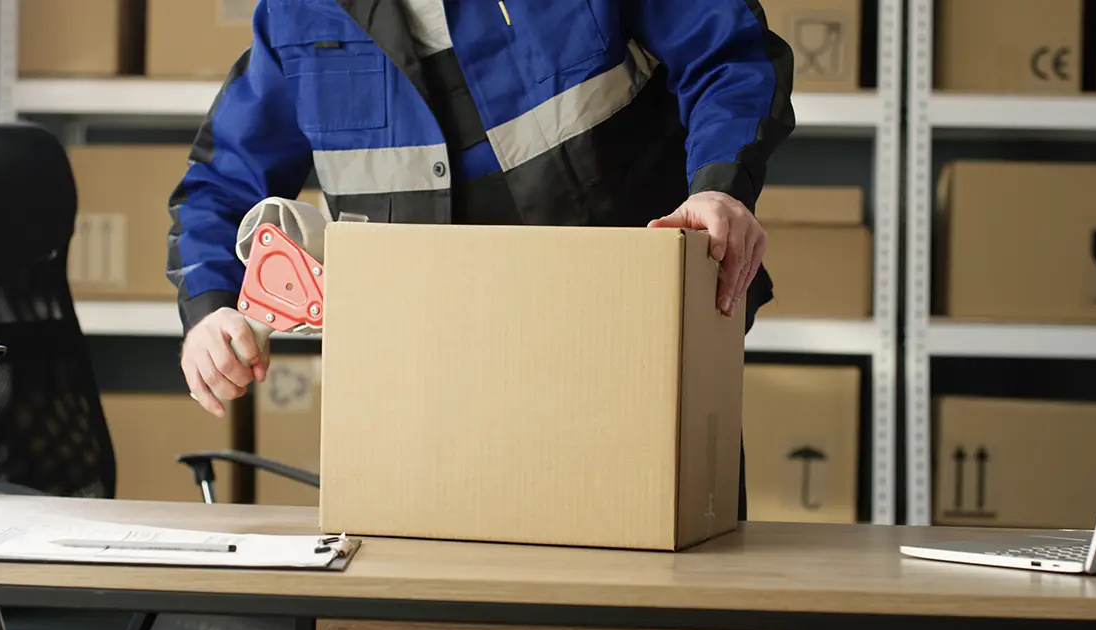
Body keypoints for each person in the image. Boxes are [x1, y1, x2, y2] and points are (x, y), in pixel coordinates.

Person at [167, 0, 795, 520]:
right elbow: (221, 185)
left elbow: (730, 55)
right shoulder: (300, 13)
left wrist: (719, 185)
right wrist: (208, 310)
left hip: (631, 375)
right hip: (419, 409)